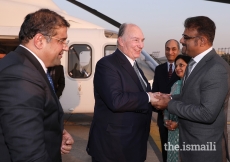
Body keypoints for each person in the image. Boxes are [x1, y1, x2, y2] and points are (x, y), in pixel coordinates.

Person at [151, 16, 230, 162]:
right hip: (189, 147)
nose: (181, 41)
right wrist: (170, 98)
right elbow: (190, 96)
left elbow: (207, 113)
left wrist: (169, 104)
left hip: (204, 151)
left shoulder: (216, 68)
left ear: (202, 40)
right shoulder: (194, 64)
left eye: (186, 37)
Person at [0, 9, 74, 162]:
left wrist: (54, 132)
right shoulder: (20, 74)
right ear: (39, 40)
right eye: (61, 40)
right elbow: (28, 153)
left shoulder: (26, 66)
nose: (65, 47)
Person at [86, 23, 153, 162]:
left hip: (133, 144)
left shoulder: (135, 66)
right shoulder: (107, 65)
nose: (141, 45)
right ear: (120, 41)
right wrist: (149, 97)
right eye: (136, 40)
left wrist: (157, 100)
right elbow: (116, 101)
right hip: (114, 148)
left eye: (142, 40)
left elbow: (140, 95)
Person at [152, 39, 180, 162]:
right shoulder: (159, 69)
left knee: (178, 153)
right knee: (165, 151)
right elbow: (155, 92)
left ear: (178, 51)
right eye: (167, 49)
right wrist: (159, 107)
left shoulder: (184, 69)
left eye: (174, 49)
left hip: (179, 119)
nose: (170, 52)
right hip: (163, 118)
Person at [163, 54, 191, 162]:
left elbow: (191, 110)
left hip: (184, 132)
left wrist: (178, 124)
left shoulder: (192, 87)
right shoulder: (175, 85)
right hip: (172, 131)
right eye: (176, 65)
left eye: (181, 65)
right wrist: (166, 121)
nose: (177, 68)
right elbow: (167, 104)